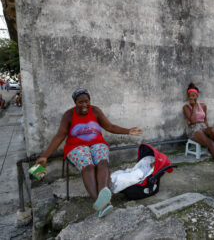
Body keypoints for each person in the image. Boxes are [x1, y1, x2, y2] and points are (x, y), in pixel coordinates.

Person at [35, 88, 143, 217]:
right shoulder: (69, 115)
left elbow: (110, 126)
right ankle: (101, 202)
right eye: (81, 102)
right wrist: (45, 156)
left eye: (87, 101)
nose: (85, 105)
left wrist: (128, 131)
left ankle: (104, 194)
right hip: (76, 147)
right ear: (75, 103)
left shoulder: (96, 111)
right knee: (88, 167)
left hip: (97, 144)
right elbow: (60, 136)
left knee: (102, 163)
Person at [183, 83, 214, 167]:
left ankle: (213, 152)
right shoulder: (186, 107)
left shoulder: (203, 106)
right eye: (189, 96)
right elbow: (192, 121)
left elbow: (205, 120)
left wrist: (208, 131)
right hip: (193, 130)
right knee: (209, 142)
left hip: (203, 127)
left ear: (197, 96)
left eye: (193, 95)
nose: (191, 98)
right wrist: (194, 107)